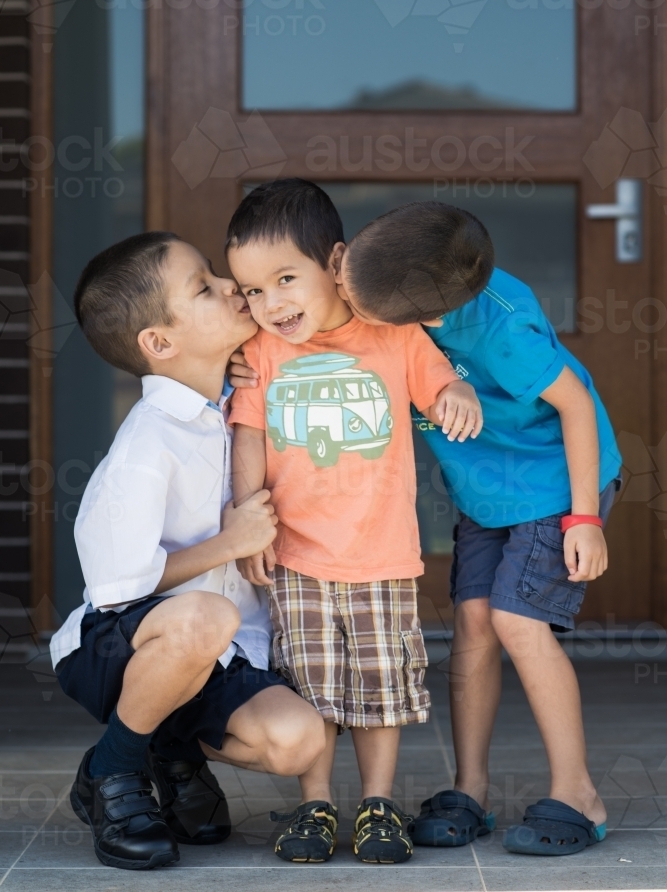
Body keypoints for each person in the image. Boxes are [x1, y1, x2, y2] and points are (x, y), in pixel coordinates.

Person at [230, 198, 622, 857]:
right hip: (486, 492)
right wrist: (235, 356)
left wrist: (583, 517)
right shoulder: (381, 289)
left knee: (515, 623)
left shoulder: (497, 328)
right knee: (471, 624)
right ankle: (469, 789)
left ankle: (578, 792)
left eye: (358, 301)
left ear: (422, 317)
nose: (347, 306)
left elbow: (576, 406)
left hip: (553, 484)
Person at [224, 179, 483, 865]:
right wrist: (247, 519)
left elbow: (439, 382)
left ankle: (376, 803)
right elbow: (247, 435)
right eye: (252, 291)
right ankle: (315, 803)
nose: (270, 304)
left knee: (378, 685)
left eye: (285, 279)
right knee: (311, 686)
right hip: (297, 552)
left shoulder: (393, 335)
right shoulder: (261, 353)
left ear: (336, 263)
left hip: (380, 553)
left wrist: (457, 392)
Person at [50, 232, 327, 871]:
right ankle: (114, 773)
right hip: (121, 645)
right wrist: (228, 545)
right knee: (206, 613)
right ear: (160, 343)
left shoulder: (237, 399)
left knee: (298, 742)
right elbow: (121, 585)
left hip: (217, 655)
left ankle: (165, 746)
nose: (232, 287)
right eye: (204, 286)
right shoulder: (149, 441)